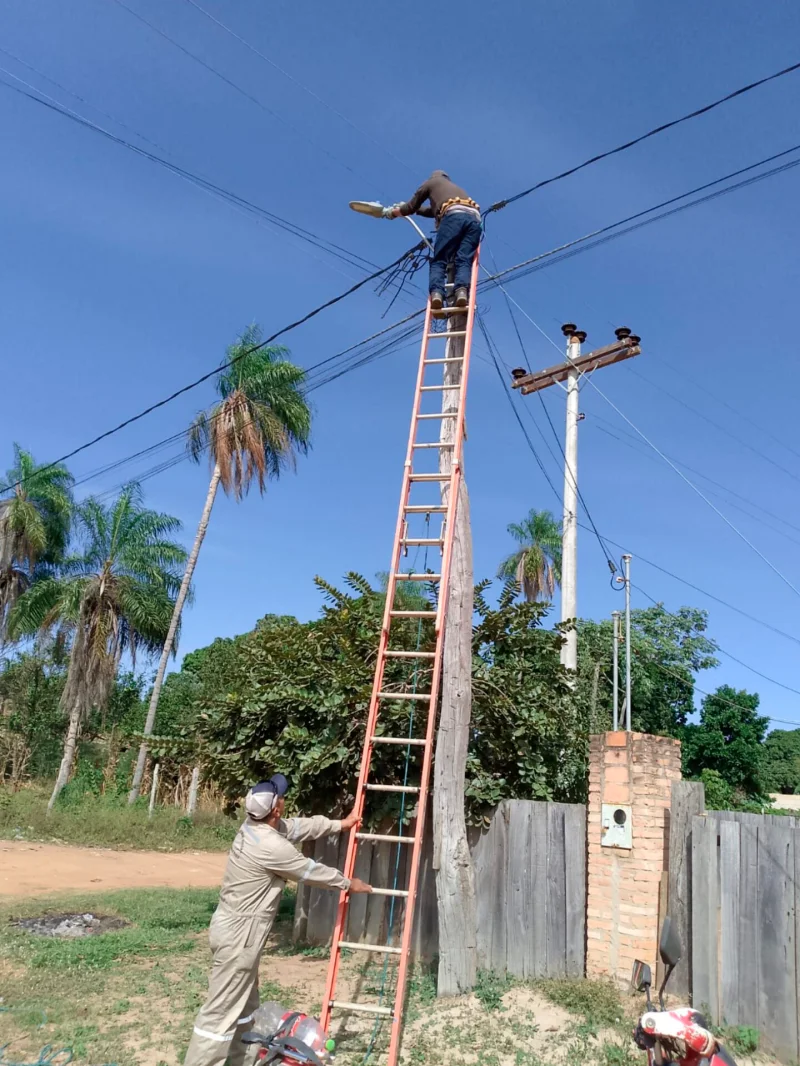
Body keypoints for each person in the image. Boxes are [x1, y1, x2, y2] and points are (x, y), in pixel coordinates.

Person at [184, 774, 371, 1066]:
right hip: (240, 939)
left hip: (231, 930)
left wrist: (339, 824)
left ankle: (242, 1060)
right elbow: (310, 871)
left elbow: (299, 826)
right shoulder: (271, 848)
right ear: (276, 809)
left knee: (246, 1009)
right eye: (282, 798)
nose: (284, 800)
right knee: (218, 1017)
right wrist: (349, 883)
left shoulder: (254, 828)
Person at [383, 169, 481, 312]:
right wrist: (415, 210)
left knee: (439, 260)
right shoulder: (455, 190)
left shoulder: (430, 183)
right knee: (463, 259)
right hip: (474, 221)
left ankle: (437, 294)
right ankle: (461, 292)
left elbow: (411, 206)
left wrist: (392, 212)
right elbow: (432, 210)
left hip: (453, 217)